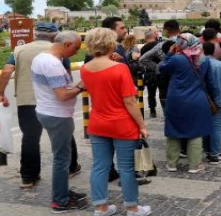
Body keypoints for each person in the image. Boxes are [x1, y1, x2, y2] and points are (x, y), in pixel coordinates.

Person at [0, 22, 81, 189]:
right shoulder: (58, 51)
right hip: (53, 103)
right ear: (54, 35)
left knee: (30, 138)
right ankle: (71, 168)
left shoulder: (19, 50)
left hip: (27, 100)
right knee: (64, 136)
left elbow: (7, 71)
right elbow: (66, 77)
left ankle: (28, 177)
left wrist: (1, 93)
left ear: (35, 34)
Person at [81, 28, 151, 216]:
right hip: (122, 124)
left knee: (99, 166)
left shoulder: (85, 69)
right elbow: (129, 101)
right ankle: (132, 208)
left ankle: (101, 207)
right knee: (127, 168)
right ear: (110, 44)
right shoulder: (120, 68)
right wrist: (142, 125)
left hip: (97, 122)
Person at [31, 31, 88, 212]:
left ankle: (62, 191)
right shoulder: (52, 64)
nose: (77, 51)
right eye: (76, 47)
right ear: (66, 44)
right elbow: (62, 95)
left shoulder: (41, 58)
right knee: (62, 159)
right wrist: (80, 86)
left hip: (48, 111)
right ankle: (59, 201)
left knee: (63, 157)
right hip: (57, 115)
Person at [159, 33, 215, 174]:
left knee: (173, 131)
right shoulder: (204, 60)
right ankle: (194, 165)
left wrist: (170, 54)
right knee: (196, 133)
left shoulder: (177, 59)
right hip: (197, 99)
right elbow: (209, 81)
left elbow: (162, 68)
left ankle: (171, 164)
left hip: (176, 99)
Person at [140, 30, 159, 118]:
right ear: (154, 36)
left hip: (150, 72)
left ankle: (152, 110)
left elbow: (142, 62)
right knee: (163, 91)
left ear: (145, 38)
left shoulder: (144, 48)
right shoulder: (159, 45)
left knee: (151, 93)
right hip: (161, 71)